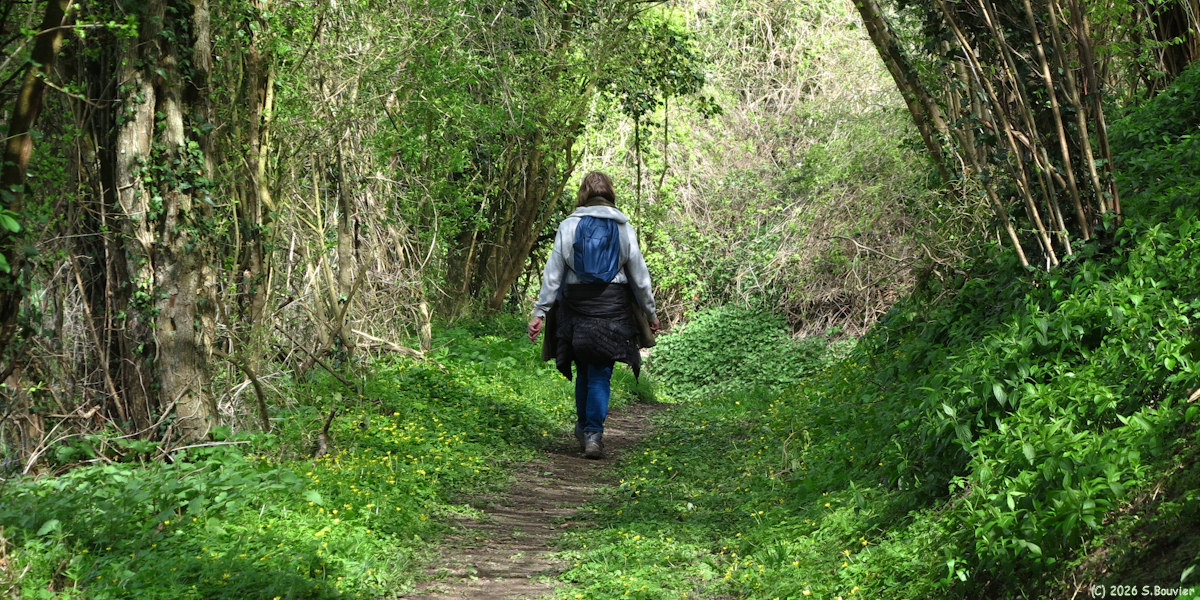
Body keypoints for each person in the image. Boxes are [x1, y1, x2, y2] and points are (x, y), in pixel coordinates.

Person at [528, 171, 660, 459]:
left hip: (575, 307)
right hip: (612, 307)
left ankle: (584, 428)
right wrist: (650, 312)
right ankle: (593, 434)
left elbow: (553, 274)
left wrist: (540, 312)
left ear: (583, 194)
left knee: (584, 369)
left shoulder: (569, 225)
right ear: (610, 193)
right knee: (600, 371)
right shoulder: (623, 226)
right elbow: (639, 276)